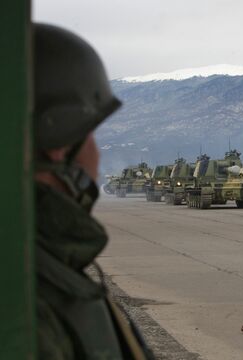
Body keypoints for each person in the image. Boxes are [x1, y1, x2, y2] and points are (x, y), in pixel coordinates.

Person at [33, 24, 151, 359]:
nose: (96, 154)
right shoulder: (33, 310)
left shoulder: (40, 271)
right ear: (59, 148)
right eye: (89, 136)